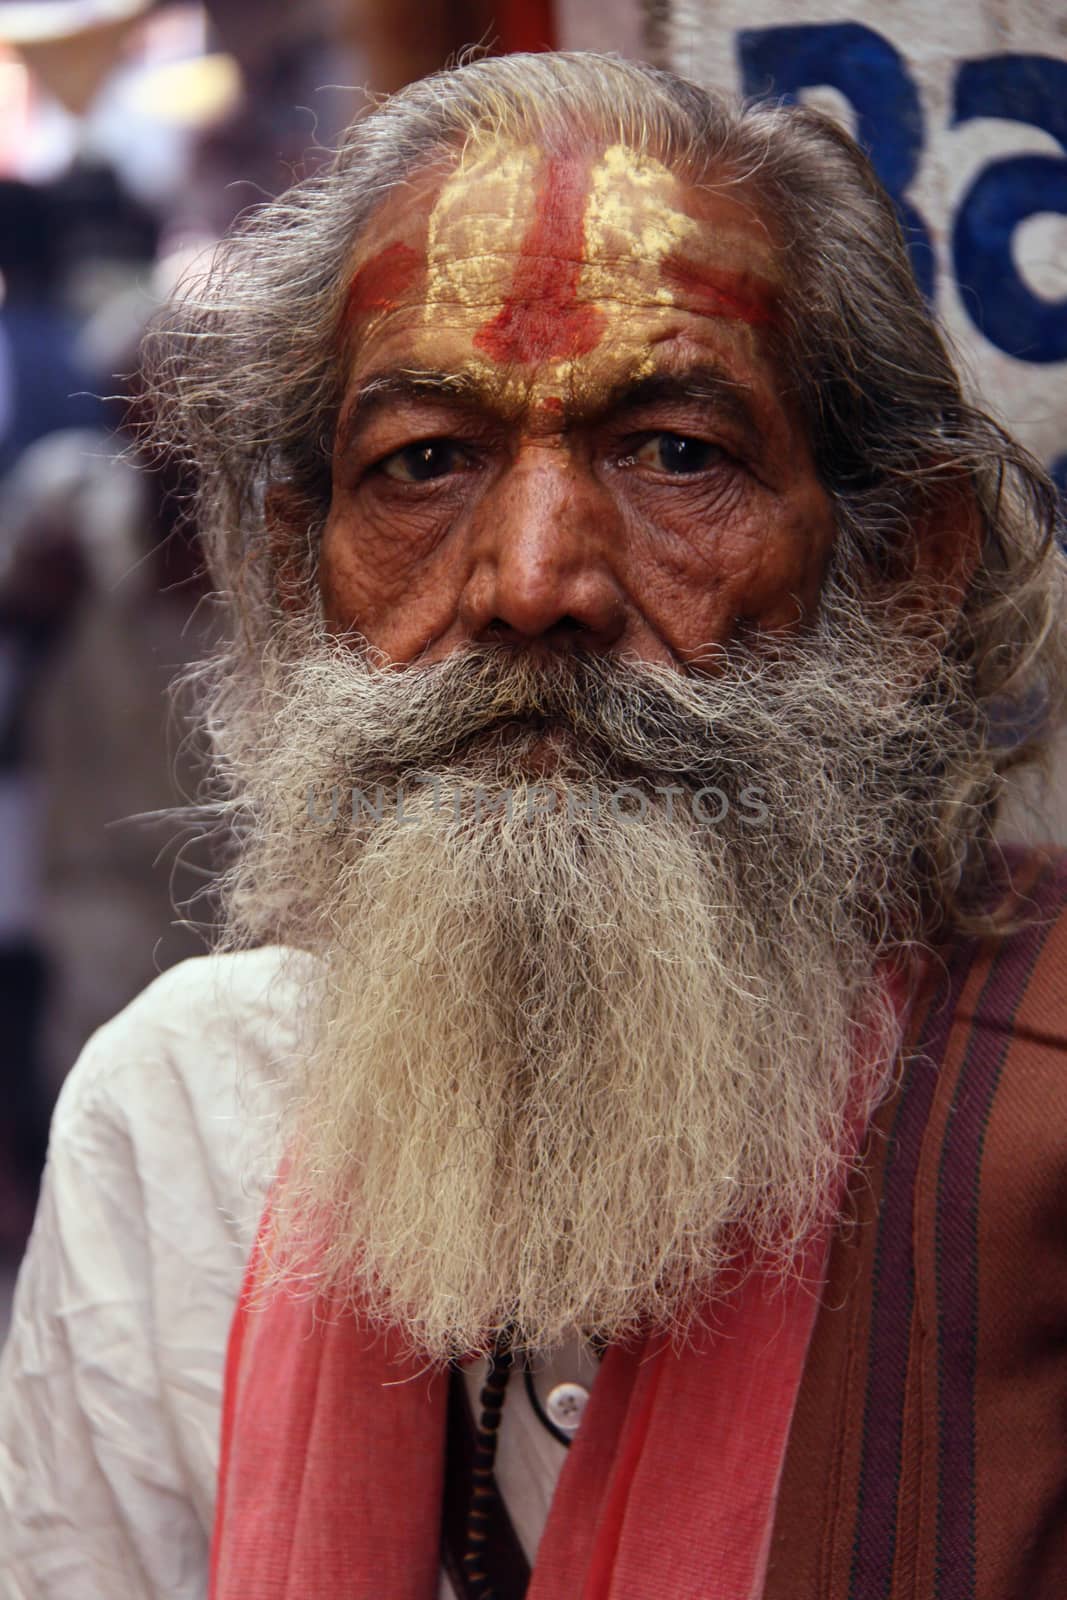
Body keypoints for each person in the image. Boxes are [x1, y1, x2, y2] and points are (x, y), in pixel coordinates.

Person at [1, 49, 1066, 1600]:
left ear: (904, 577)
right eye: (423, 462)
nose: (532, 579)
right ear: (303, 587)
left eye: (675, 454)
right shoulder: (183, 1123)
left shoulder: (1035, 1133)